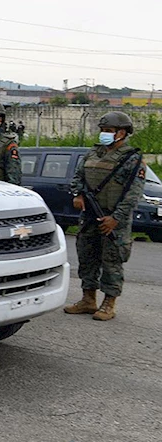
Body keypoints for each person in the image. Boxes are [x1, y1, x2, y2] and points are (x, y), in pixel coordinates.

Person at [63, 111, 146, 321]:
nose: (104, 134)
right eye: (102, 130)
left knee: (112, 261)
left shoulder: (132, 158)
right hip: (90, 215)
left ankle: (109, 303)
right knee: (87, 256)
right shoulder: (93, 153)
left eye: (108, 130)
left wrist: (115, 218)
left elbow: (133, 194)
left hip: (113, 219)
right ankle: (88, 299)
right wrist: (78, 194)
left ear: (122, 133)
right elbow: (78, 176)